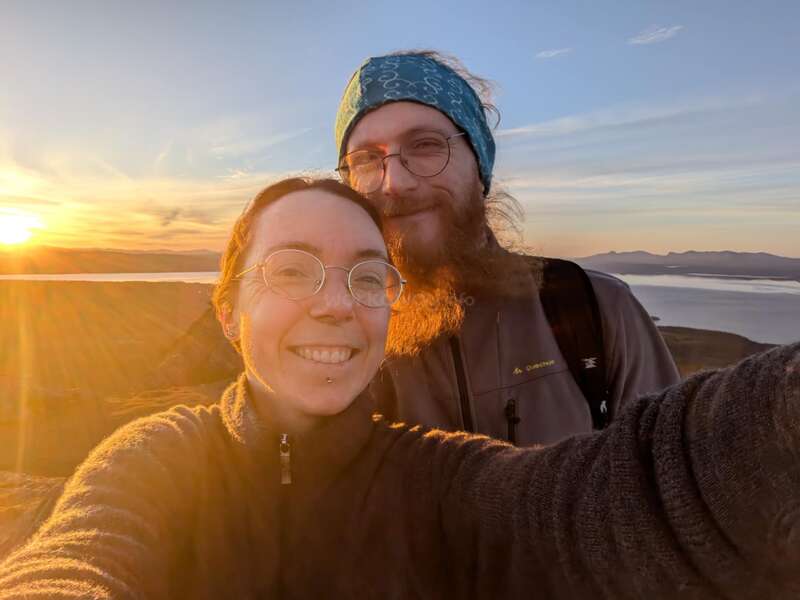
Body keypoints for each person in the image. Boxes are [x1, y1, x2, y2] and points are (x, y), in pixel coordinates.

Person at [1, 176, 798, 599]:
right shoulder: (157, 464)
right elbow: (76, 559)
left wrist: (779, 414)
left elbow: (625, 497)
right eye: (290, 270)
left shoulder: (442, 482)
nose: (337, 302)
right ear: (228, 312)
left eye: (367, 276)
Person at [335, 51, 681, 445]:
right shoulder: (341, 334)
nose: (394, 181)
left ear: (479, 166)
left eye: (426, 145)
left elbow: (668, 485)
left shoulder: (596, 310)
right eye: (365, 159)